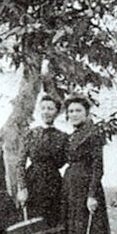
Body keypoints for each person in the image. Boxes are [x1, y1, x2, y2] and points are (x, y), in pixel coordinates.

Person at [61, 94, 113, 234]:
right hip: (70, 187)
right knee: (72, 229)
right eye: (70, 111)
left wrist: (91, 195)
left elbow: (98, 167)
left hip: (86, 188)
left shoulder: (93, 134)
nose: (74, 114)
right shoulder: (73, 136)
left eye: (78, 110)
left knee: (89, 233)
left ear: (86, 113)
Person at [15, 94, 69, 224]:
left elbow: (63, 161)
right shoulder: (30, 134)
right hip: (33, 181)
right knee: (33, 220)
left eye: (50, 108)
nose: (46, 112)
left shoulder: (63, 137)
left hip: (54, 182)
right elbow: (20, 163)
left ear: (57, 112)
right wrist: (22, 188)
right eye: (43, 108)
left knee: (53, 219)